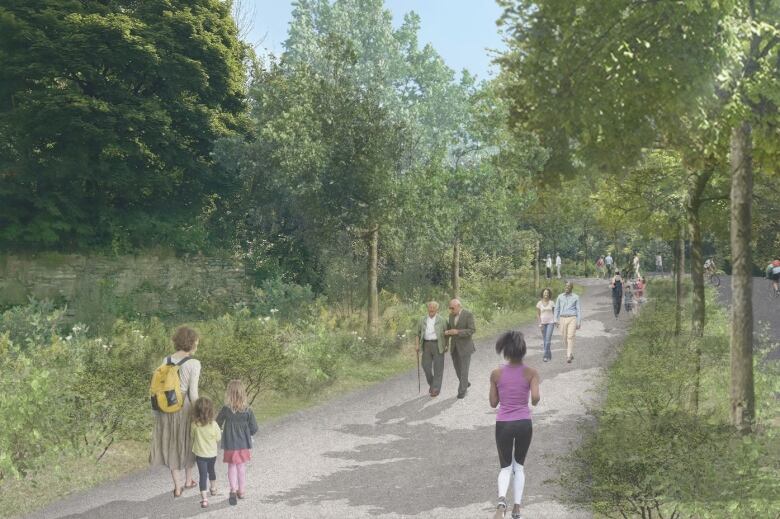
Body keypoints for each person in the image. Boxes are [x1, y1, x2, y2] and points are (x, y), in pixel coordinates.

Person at [490, 331, 540, 519]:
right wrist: (533, 401)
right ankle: (517, 508)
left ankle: (502, 499)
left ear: (506, 352)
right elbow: (535, 398)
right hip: (524, 423)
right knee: (519, 466)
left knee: (505, 467)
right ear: (523, 351)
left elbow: (493, 403)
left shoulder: (496, 373)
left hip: (503, 423)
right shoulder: (531, 373)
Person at [150, 326, 202, 497]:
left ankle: (178, 487)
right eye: (196, 342)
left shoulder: (166, 360)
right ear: (192, 343)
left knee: (172, 443)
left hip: (167, 408)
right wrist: (199, 413)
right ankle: (189, 480)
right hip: (184, 407)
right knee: (187, 442)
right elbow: (193, 393)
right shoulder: (194, 363)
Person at [217, 380, 259, 506]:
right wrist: (247, 433)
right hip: (243, 444)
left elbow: (217, 423)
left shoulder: (226, 409)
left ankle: (232, 490)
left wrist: (222, 430)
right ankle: (242, 491)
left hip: (230, 443)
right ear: (243, 394)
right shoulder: (248, 410)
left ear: (229, 393)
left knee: (231, 466)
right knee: (241, 466)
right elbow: (254, 428)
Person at [191, 397, 221, 508]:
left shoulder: (194, 425)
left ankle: (204, 499)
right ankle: (213, 489)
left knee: (202, 475)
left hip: (200, 455)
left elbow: (192, 436)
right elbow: (218, 438)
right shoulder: (214, 424)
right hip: (212, 454)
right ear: (211, 410)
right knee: (211, 471)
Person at [445, 299, 476, 398]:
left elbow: (472, 330)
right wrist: (447, 333)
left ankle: (462, 391)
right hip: (454, 347)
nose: (451, 310)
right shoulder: (450, 316)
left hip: (465, 347)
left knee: (464, 370)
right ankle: (465, 383)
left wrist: (458, 332)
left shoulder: (468, 314)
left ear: (458, 306)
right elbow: (450, 329)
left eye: (452, 308)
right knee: (457, 369)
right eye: (449, 308)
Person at [415, 301, 447, 397]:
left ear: (437, 309)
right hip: (426, 344)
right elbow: (417, 333)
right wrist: (417, 345)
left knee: (438, 368)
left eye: (433, 307)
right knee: (426, 366)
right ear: (427, 308)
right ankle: (433, 384)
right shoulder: (422, 319)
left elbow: (446, 333)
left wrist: (446, 345)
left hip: (438, 344)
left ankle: (435, 389)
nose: (431, 309)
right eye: (430, 307)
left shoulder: (442, 320)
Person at [554, 282, 582, 364]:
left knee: (570, 337)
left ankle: (568, 355)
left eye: (568, 286)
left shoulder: (576, 297)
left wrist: (578, 321)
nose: (567, 287)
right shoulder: (560, 296)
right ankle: (570, 352)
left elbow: (578, 310)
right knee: (564, 338)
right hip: (562, 318)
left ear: (571, 288)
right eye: (566, 286)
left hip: (572, 318)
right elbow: (556, 309)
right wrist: (555, 320)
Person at [536, 288, 555, 362]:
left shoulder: (552, 302)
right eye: (544, 293)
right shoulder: (539, 303)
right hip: (543, 323)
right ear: (542, 294)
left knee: (548, 340)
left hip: (551, 322)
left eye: (547, 293)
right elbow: (537, 314)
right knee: (545, 340)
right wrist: (540, 323)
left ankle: (545, 356)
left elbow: (554, 313)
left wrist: (556, 321)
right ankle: (549, 353)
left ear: (549, 294)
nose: (546, 294)